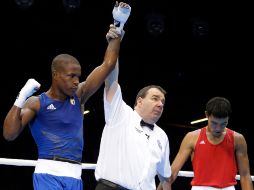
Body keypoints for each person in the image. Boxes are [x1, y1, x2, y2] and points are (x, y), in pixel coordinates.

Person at [3, 2, 131, 190]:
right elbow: (9, 134)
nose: (75, 81)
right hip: (48, 174)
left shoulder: (80, 94)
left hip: (75, 176)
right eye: (71, 76)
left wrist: (118, 27)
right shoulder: (37, 103)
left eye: (78, 76)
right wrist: (21, 97)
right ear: (55, 75)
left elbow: (108, 65)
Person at [94, 31, 171, 190]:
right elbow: (111, 79)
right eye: (155, 98)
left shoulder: (162, 136)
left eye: (163, 101)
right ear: (139, 101)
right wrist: (115, 42)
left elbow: (165, 177)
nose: (160, 104)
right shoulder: (121, 113)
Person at [157, 97, 253, 190]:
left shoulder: (238, 139)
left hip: (228, 188)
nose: (218, 128)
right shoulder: (192, 137)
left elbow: (245, 175)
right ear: (206, 115)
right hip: (200, 187)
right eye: (214, 123)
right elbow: (172, 173)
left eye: (223, 124)